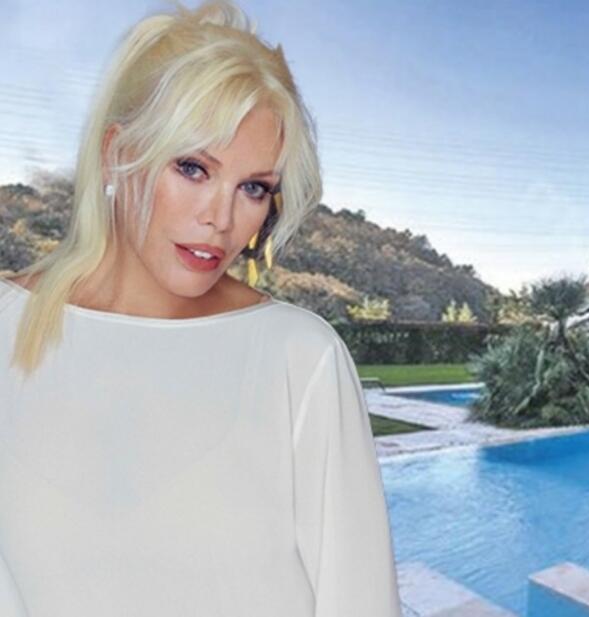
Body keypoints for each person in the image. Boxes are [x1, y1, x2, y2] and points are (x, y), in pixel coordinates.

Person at [0, 1, 402, 615]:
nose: (221, 218)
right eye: (192, 168)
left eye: (253, 188)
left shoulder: (301, 359)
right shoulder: (8, 326)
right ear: (116, 153)